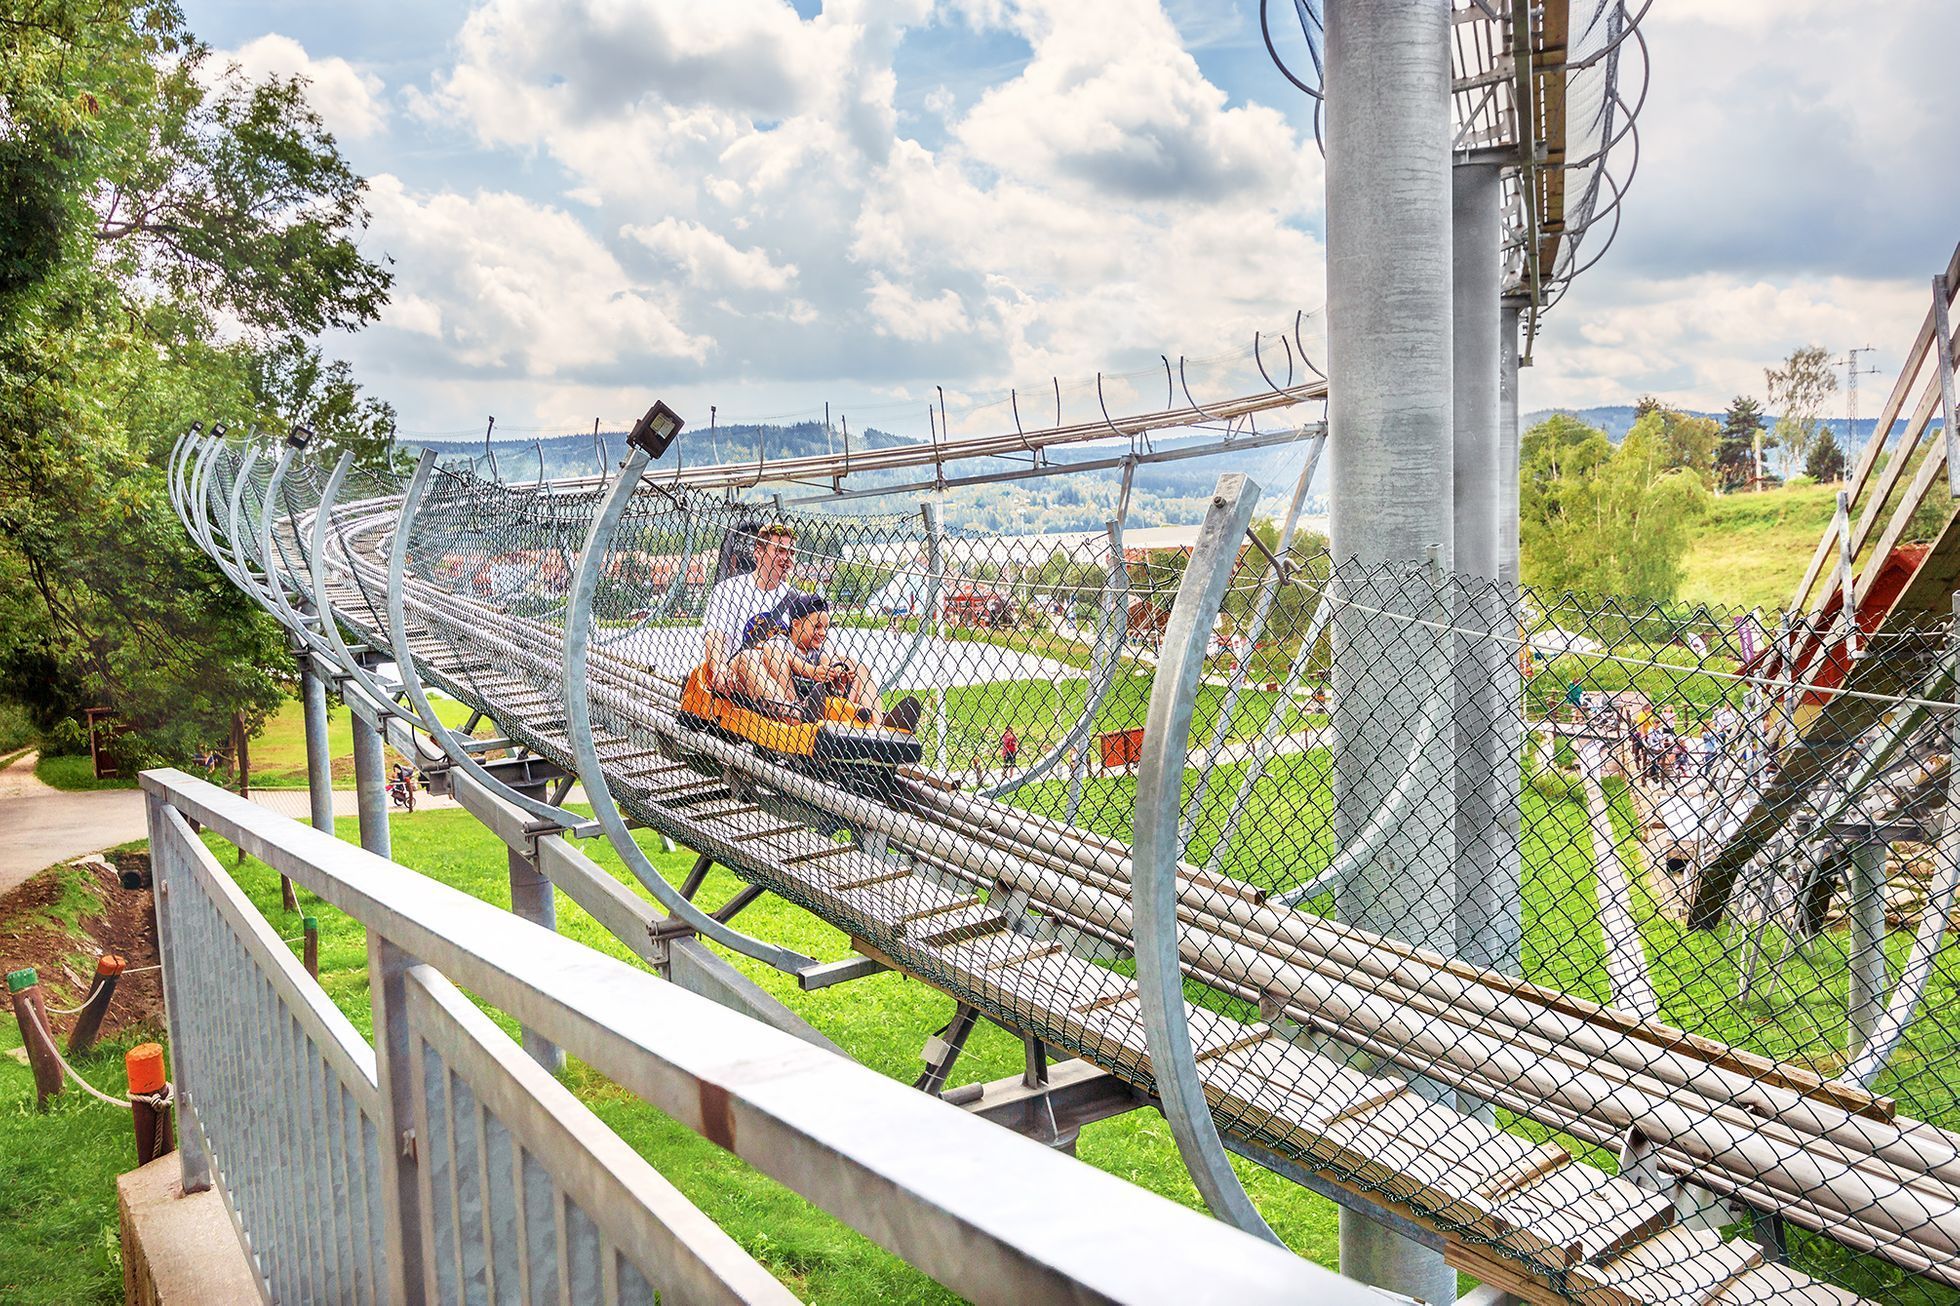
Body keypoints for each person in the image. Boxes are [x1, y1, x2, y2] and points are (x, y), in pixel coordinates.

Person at [727, 593, 922, 731]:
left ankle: (880, 726)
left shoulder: (820, 649)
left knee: (860, 667)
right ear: (795, 624)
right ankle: (796, 712)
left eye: (825, 627)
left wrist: (842, 669)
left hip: (825, 705)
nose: (822, 632)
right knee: (775, 655)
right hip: (794, 702)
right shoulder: (782, 643)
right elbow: (779, 655)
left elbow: (832, 657)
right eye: (816, 626)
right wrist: (811, 671)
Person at [702, 522, 796, 693]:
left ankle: (791, 706)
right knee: (748, 657)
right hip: (741, 671)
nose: (787, 558)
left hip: (781, 671)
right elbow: (715, 636)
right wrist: (719, 667)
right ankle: (792, 712)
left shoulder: (796, 597)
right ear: (759, 552)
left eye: (792, 553)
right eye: (780, 551)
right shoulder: (728, 590)